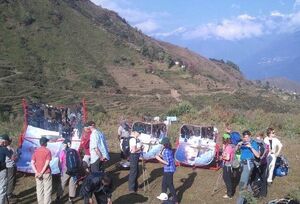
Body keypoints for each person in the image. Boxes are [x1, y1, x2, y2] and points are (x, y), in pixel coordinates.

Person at [236, 130, 260, 204]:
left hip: (248, 164)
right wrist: (238, 146)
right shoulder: (242, 143)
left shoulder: (254, 143)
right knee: (247, 182)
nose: (245, 139)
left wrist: (251, 147)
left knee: (242, 185)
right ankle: (252, 196)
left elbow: (258, 155)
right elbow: (235, 151)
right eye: (244, 137)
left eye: (246, 137)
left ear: (249, 136)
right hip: (242, 164)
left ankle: (239, 202)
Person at [57, 139, 80, 204]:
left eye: (64, 143)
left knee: (62, 183)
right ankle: (70, 199)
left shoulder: (63, 152)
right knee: (72, 184)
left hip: (65, 170)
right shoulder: (75, 151)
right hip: (74, 170)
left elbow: (60, 162)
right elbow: (79, 160)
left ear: (66, 144)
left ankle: (58, 198)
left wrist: (60, 170)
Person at [156, 137, 178, 204]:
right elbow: (167, 157)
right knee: (164, 183)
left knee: (170, 184)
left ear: (165, 144)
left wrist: (158, 159)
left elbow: (167, 162)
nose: (161, 145)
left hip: (169, 170)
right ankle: (163, 196)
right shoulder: (168, 149)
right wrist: (160, 155)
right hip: (168, 169)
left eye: (162, 144)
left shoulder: (166, 151)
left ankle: (175, 200)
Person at [31, 137, 52, 204]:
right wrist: (41, 172)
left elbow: (32, 162)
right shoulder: (47, 151)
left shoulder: (36, 151)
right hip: (46, 173)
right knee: (47, 190)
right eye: (47, 142)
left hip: (38, 173)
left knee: (39, 190)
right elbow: (47, 162)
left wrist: (36, 172)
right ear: (45, 143)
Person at [251, 132, 269, 197]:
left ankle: (257, 194)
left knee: (257, 178)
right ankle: (263, 193)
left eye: (258, 137)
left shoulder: (260, 144)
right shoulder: (266, 145)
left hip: (259, 164)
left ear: (261, 137)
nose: (257, 139)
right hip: (263, 163)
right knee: (263, 178)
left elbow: (259, 155)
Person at [3, 135, 17, 200]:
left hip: (5, 166)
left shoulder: (3, 148)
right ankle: (9, 194)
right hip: (11, 166)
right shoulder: (10, 149)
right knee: (11, 180)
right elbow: (14, 158)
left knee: (6, 179)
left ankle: (7, 193)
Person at [0, 134, 12, 204]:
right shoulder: (4, 149)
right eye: (7, 142)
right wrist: (13, 152)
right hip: (2, 171)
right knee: (2, 189)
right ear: (5, 141)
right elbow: (13, 158)